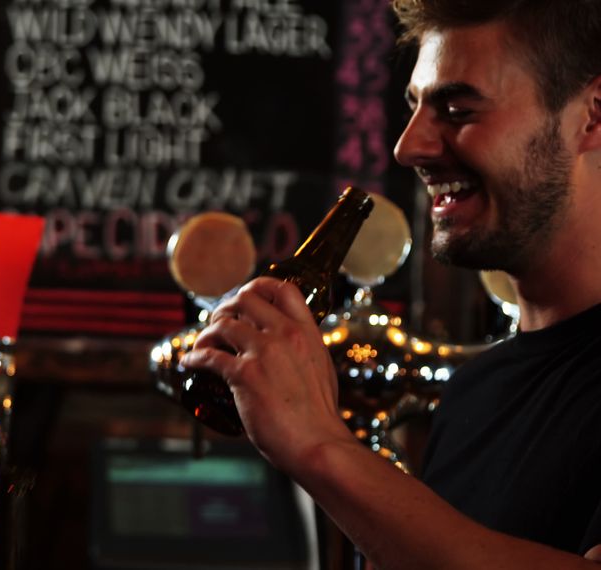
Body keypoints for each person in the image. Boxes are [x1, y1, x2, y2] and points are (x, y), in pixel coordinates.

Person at [181, 0, 601, 567]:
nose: (409, 147)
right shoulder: (476, 391)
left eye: (456, 109)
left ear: (592, 115)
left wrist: (321, 448)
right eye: (415, 107)